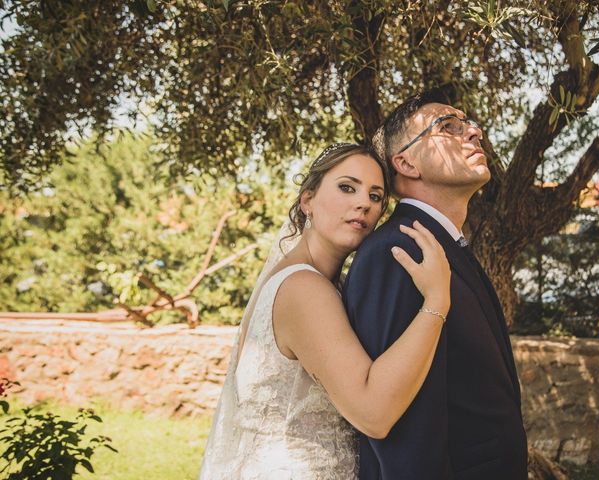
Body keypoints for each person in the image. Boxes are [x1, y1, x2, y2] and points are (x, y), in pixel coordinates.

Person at [199, 143, 452, 479]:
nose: (363, 203)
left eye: (376, 197)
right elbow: (373, 414)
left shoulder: (314, 282)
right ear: (308, 201)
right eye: (347, 187)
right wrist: (436, 301)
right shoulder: (303, 288)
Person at [343, 93, 528, 480]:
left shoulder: (445, 244)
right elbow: (405, 436)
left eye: (469, 123)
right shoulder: (396, 253)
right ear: (406, 162)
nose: (475, 132)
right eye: (448, 127)